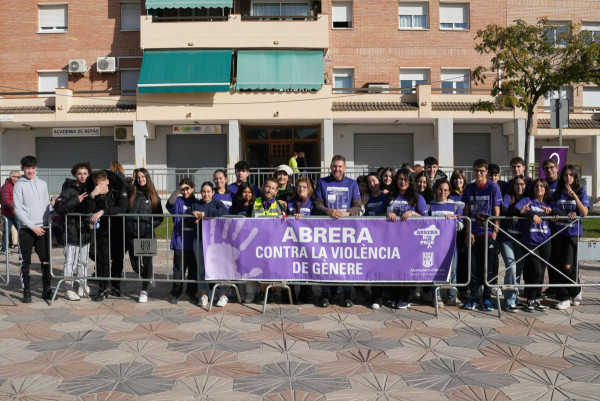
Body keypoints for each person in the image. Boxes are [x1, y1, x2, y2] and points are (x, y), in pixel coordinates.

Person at [313, 155, 361, 308]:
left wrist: (347, 213)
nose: (337, 169)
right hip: (326, 230)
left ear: (345, 168)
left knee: (346, 262)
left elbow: (357, 206)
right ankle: (325, 293)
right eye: (334, 166)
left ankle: (347, 293)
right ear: (331, 167)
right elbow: (317, 203)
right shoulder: (322, 182)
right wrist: (328, 211)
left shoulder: (352, 184)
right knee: (326, 261)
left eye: (340, 166)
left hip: (346, 231)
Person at [382, 167, 428, 309]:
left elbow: (427, 218)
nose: (403, 182)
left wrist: (413, 213)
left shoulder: (417, 197)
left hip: (410, 241)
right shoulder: (389, 195)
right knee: (392, 268)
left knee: (406, 269)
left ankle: (404, 297)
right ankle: (393, 296)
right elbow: (380, 214)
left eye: (406, 179)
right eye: (400, 179)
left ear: (410, 181)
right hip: (391, 240)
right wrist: (386, 215)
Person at [461, 159, 502, 312]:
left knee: (488, 268)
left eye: (482, 171)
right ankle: (474, 297)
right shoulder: (469, 188)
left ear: (486, 172)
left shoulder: (493, 187)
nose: (478, 174)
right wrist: (468, 231)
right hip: (473, 234)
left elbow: (497, 212)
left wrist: (495, 233)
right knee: (473, 267)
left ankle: (486, 297)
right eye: (476, 170)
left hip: (488, 234)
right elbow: (466, 211)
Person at [516, 178, 562, 311]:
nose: (539, 188)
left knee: (541, 272)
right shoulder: (527, 200)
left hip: (545, 241)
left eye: (542, 186)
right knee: (535, 271)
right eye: (536, 186)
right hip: (529, 241)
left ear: (546, 189)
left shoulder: (549, 203)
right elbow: (517, 210)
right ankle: (530, 298)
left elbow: (560, 214)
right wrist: (531, 215)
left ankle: (537, 298)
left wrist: (552, 212)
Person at [84, 169, 128, 301]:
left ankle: (115, 286)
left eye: (101, 183)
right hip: (101, 232)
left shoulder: (118, 189)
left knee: (118, 259)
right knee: (102, 260)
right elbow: (87, 210)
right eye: (96, 184)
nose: (99, 186)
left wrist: (103, 211)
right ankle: (102, 288)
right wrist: (92, 196)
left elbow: (122, 207)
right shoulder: (93, 193)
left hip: (118, 229)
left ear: (107, 181)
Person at [13, 156, 52, 303]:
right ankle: (26, 290)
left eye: (33, 167)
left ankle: (47, 288)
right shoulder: (19, 185)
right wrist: (32, 226)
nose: (30, 170)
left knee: (45, 261)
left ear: (36, 168)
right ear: (23, 168)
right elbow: (18, 210)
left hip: (42, 228)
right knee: (25, 262)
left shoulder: (42, 184)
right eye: (27, 168)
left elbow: (46, 204)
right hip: (27, 229)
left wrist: (48, 221)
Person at [53, 162, 93, 301]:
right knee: (70, 261)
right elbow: (60, 208)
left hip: (85, 230)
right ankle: (68, 288)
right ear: (75, 174)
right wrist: (77, 199)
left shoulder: (90, 188)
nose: (82, 176)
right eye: (80, 173)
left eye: (85, 173)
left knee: (83, 261)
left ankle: (83, 285)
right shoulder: (69, 189)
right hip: (71, 230)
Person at [125, 168, 164, 303]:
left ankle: (144, 290)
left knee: (147, 262)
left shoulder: (153, 196)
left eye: (143, 177)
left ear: (147, 178)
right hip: (132, 235)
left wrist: (148, 226)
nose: (141, 179)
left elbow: (160, 217)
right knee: (135, 265)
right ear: (136, 179)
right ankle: (148, 276)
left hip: (147, 234)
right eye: (139, 177)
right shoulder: (131, 194)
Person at [553, 165, 588, 309]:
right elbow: (553, 209)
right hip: (557, 233)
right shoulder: (557, 192)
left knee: (569, 266)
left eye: (571, 175)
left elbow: (584, 212)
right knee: (558, 266)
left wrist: (574, 197)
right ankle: (564, 297)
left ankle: (576, 290)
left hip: (572, 233)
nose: (568, 178)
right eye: (565, 175)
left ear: (575, 177)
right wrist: (557, 215)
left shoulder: (581, 192)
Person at [191, 182, 228, 307]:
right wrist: (194, 213)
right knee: (201, 269)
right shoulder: (196, 204)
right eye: (203, 191)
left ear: (213, 192)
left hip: (215, 242)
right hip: (199, 241)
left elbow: (224, 212)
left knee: (218, 268)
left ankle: (223, 295)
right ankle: (203, 294)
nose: (205, 194)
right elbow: (192, 211)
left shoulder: (217, 203)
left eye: (208, 191)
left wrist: (207, 215)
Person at [429, 178, 464, 307]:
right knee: (435, 271)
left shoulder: (454, 206)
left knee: (453, 271)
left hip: (451, 245)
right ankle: (437, 296)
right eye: (440, 189)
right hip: (435, 246)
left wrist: (453, 221)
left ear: (449, 191)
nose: (442, 192)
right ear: (436, 190)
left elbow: (461, 226)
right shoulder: (430, 205)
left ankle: (452, 296)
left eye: (445, 190)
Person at [498, 175, 529, 312]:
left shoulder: (527, 199)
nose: (519, 187)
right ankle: (509, 300)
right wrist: (518, 211)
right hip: (506, 238)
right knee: (511, 266)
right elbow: (504, 211)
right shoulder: (508, 197)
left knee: (519, 268)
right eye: (517, 184)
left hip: (520, 239)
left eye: (522, 184)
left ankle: (515, 296)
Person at [167, 178, 199, 305]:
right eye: (183, 189)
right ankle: (176, 292)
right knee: (179, 270)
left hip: (193, 242)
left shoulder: (196, 202)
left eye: (187, 189)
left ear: (192, 189)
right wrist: (178, 189)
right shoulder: (178, 201)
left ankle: (191, 292)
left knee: (193, 270)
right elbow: (169, 203)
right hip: (180, 242)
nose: (185, 191)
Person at [449, 169, 468, 305]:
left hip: (467, 232)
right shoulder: (449, 195)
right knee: (456, 265)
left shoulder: (468, 193)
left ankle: (464, 289)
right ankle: (454, 291)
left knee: (465, 262)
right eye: (455, 178)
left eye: (460, 178)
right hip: (453, 233)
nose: (458, 181)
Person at [0, 170, 20, 254]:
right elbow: (5, 200)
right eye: (18, 177)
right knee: (7, 231)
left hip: (17, 213)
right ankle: (4, 249)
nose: (20, 178)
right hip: (8, 214)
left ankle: (22, 248)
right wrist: (15, 207)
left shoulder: (17, 186)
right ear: (12, 178)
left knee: (22, 230)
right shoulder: (6, 187)